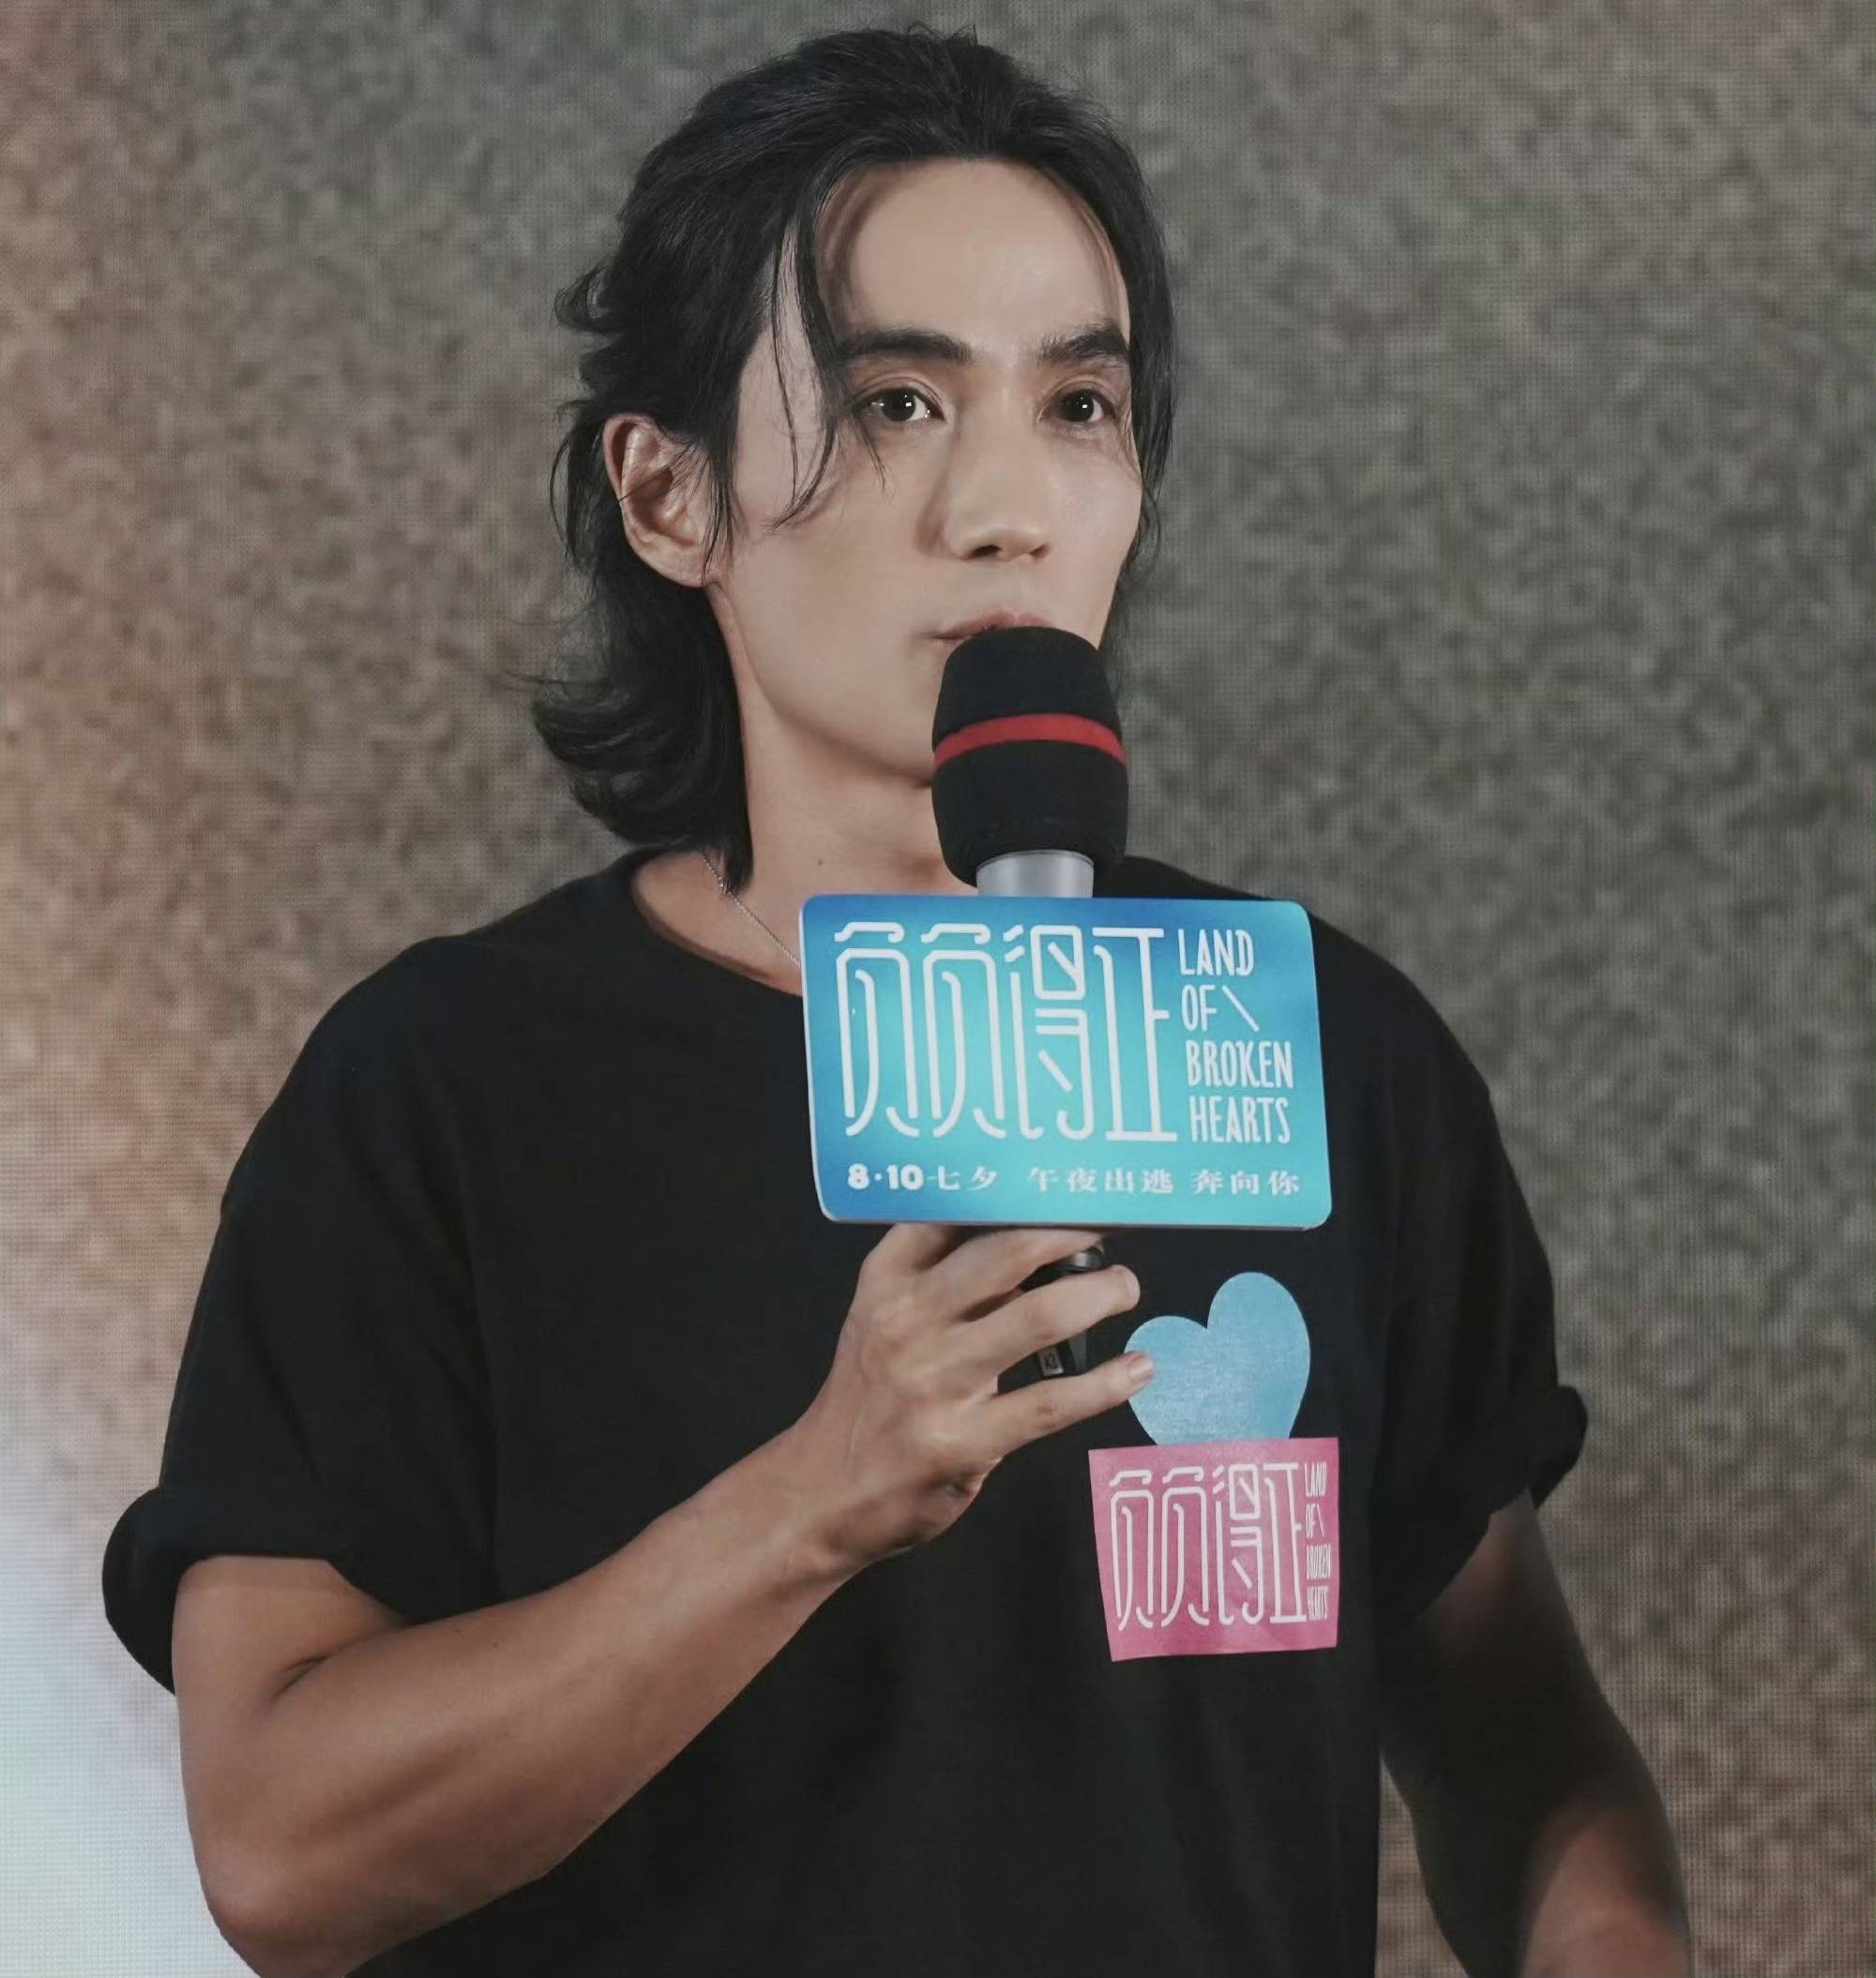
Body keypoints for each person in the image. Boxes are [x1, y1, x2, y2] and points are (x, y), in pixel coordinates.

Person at [101, 24, 1691, 1978]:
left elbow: (1520, 1749)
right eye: (898, 404)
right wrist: (814, 1499)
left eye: (1080, 404)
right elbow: (282, 1851)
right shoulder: (441, 1090)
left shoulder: (1321, 1050)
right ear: (669, 495)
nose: (1007, 505)